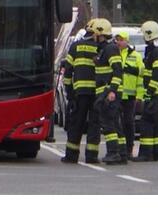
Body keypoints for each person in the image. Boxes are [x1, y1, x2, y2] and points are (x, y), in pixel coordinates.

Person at [62, 18, 104, 163]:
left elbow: (67, 72)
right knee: (94, 124)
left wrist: (70, 93)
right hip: (97, 93)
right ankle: (92, 156)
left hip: (80, 93)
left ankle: (71, 155)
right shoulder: (100, 48)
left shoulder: (75, 47)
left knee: (77, 124)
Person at [132, 20, 158, 162]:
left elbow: (157, 73)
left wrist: (150, 91)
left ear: (148, 34)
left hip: (156, 93)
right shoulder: (155, 49)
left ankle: (146, 153)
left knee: (147, 121)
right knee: (157, 123)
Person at [88, 19, 125, 165]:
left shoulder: (110, 49)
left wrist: (112, 91)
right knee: (115, 123)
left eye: (94, 34)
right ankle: (121, 153)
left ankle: (113, 153)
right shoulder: (105, 49)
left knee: (108, 123)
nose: (93, 37)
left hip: (108, 92)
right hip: (106, 91)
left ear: (100, 34)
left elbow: (118, 70)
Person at [114, 32, 144, 162]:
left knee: (128, 123)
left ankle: (128, 149)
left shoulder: (136, 56)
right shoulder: (114, 54)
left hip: (130, 96)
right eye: (117, 40)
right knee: (116, 123)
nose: (119, 42)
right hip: (116, 94)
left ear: (127, 41)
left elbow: (140, 78)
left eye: (121, 40)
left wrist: (140, 95)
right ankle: (119, 150)